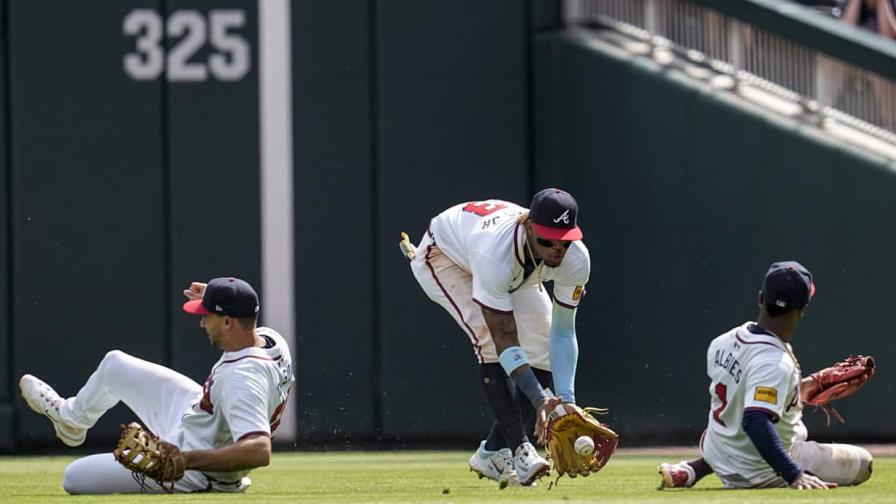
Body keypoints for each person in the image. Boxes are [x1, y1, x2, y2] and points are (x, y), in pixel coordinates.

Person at [19, 277, 295, 494]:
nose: (201, 322)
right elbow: (242, 309)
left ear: (227, 321)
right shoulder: (270, 339)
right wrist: (216, 293)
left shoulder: (242, 379)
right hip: (197, 417)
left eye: (206, 314)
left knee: (73, 477)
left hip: (196, 471)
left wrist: (184, 460)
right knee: (115, 365)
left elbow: (258, 450)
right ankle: (72, 421)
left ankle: (206, 479)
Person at [403, 188, 590, 487]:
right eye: (547, 240)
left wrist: (565, 403)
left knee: (542, 346)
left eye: (564, 241)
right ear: (529, 227)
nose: (557, 249)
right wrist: (541, 399)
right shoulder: (495, 254)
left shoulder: (576, 259)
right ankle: (520, 449)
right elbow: (504, 337)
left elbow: (564, 330)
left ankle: (491, 452)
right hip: (445, 256)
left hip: (519, 270)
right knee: (490, 342)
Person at [658, 261, 873, 490]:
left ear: (761, 298)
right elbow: (755, 421)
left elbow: (747, 391)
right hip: (760, 469)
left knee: (741, 415)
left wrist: (801, 389)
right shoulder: (775, 362)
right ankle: (778, 469)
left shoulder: (722, 342)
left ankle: (692, 470)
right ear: (802, 309)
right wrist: (794, 474)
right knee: (864, 464)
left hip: (719, 449)